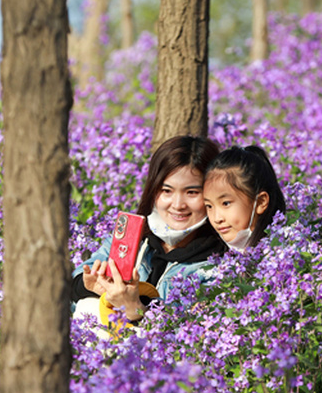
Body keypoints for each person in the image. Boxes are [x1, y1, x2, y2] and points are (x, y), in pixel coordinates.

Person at [71, 135, 227, 324]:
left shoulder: (218, 265)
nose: (177, 205)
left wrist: (134, 309)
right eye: (166, 191)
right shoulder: (129, 238)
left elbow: (189, 339)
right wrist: (92, 286)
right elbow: (72, 286)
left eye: (192, 192)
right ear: (153, 191)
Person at [201, 145, 286, 251]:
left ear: (260, 202)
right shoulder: (216, 256)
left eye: (226, 203)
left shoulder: (284, 252)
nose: (217, 218)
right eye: (209, 206)